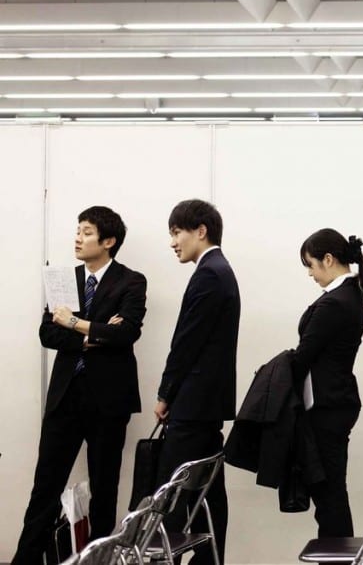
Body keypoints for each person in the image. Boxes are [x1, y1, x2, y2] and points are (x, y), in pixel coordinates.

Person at [13, 206, 147, 565]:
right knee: (45, 488)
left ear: (108, 241)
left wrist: (73, 322)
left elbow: (127, 332)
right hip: (65, 397)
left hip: (109, 401)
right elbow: (47, 332)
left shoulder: (131, 281)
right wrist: (93, 333)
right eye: (78, 230)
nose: (77, 237)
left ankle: (99, 561)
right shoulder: (62, 279)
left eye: (87, 232)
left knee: (105, 489)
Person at [154, 199, 240, 565]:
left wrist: (164, 394)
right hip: (208, 403)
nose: (173, 242)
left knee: (173, 496)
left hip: (193, 402)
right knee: (207, 495)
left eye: (177, 232)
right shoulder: (221, 270)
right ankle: (209, 560)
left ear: (200, 231)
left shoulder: (208, 273)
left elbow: (186, 342)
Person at [294, 228, 363, 537]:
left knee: (329, 495)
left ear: (328, 259)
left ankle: (336, 557)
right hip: (338, 401)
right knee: (331, 493)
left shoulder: (336, 302)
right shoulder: (352, 295)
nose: (310, 273)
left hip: (327, 406)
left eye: (311, 264)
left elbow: (305, 354)